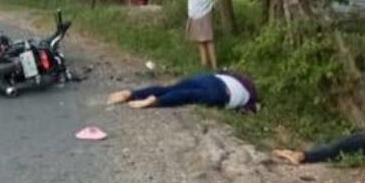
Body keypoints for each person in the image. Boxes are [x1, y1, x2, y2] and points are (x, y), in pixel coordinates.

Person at [107, 71, 259, 112]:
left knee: (172, 88)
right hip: (224, 93)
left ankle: (132, 93)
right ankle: (157, 101)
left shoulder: (232, 76)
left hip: (209, 78)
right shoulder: (251, 96)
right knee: (189, 96)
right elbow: (251, 109)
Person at [273, 128, 365, 165]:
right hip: (346, 146)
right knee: (327, 153)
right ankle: (299, 156)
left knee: (326, 149)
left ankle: (291, 153)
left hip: (346, 141)